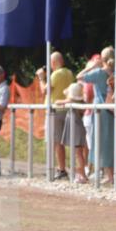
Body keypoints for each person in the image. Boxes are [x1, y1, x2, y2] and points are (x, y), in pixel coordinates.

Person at [76, 47, 116, 185]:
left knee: (100, 142)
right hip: (113, 110)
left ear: (102, 59)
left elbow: (79, 77)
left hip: (101, 110)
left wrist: (92, 66)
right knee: (110, 141)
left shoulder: (99, 72)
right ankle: (110, 175)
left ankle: (109, 175)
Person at [36, 52, 75, 180]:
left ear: (53, 63)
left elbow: (45, 90)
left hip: (54, 111)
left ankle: (60, 168)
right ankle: (61, 168)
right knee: (60, 142)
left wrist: (41, 78)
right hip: (64, 110)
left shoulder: (56, 74)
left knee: (55, 141)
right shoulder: (69, 73)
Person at [55, 81, 89, 183]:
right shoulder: (80, 103)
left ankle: (82, 174)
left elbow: (57, 102)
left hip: (76, 128)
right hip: (77, 128)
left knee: (78, 152)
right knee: (78, 152)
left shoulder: (71, 102)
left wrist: (67, 99)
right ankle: (81, 173)